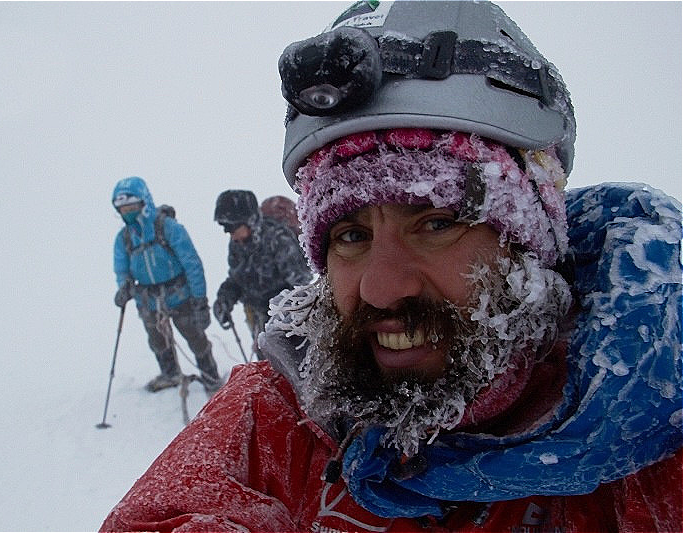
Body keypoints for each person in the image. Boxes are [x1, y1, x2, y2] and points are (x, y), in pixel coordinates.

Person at [100, 3, 682, 532]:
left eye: (435, 223)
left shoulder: (652, 434)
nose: (380, 289)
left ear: (531, 242)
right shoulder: (283, 418)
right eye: (350, 235)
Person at [111, 176, 221, 394]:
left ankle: (211, 377)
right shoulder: (123, 239)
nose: (128, 212)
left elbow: (192, 264)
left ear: (144, 202)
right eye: (123, 209)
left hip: (180, 295)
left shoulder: (168, 228)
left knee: (195, 337)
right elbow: (121, 269)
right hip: (148, 300)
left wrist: (200, 299)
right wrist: (124, 286)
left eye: (132, 206)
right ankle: (170, 373)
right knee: (158, 340)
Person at [212, 189, 312, 358]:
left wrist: (284, 318)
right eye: (225, 227)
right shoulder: (237, 245)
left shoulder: (278, 239)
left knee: (295, 366)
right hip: (257, 319)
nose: (229, 233)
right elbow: (237, 279)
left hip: (286, 324)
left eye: (231, 226)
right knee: (267, 364)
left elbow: (301, 285)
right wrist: (224, 298)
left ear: (249, 221)